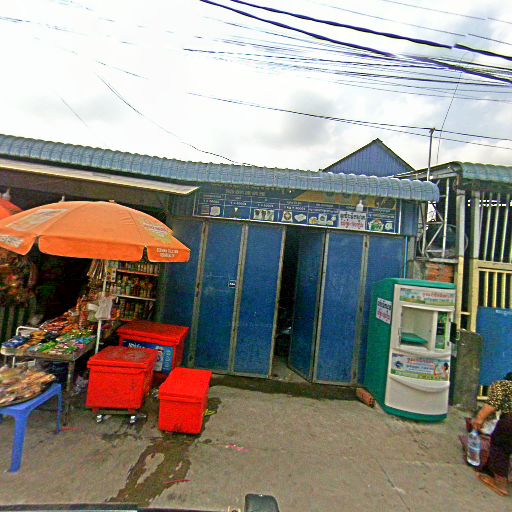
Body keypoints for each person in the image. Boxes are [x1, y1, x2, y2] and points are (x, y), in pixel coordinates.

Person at [472, 372, 512, 496]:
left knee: (500, 448)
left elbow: (491, 406)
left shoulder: (503, 385)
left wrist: (479, 419)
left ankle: (500, 484)